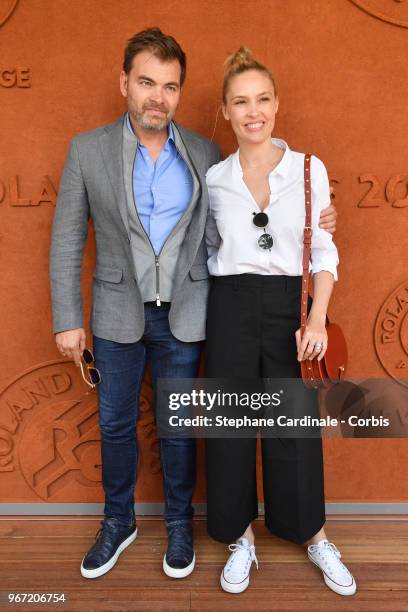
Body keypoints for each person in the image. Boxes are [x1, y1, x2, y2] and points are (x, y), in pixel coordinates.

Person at [49, 29, 337, 580]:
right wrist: (68, 319)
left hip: (189, 314)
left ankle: (181, 524)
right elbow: (66, 239)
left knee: (186, 424)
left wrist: (323, 218)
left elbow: (238, 235)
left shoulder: (203, 153)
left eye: (170, 86)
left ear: (181, 94)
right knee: (116, 425)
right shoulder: (91, 151)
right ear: (125, 84)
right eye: (147, 83)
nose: (158, 96)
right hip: (121, 314)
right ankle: (120, 521)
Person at [204, 48, 356, 597]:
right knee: (229, 428)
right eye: (240, 101)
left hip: (292, 308)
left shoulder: (309, 170)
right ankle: (238, 536)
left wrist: (316, 317)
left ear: (277, 103)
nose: (253, 112)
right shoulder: (214, 179)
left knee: (294, 426)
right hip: (228, 305)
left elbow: (325, 252)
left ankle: (311, 534)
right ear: (224, 110)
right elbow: (200, 250)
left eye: (262, 99)